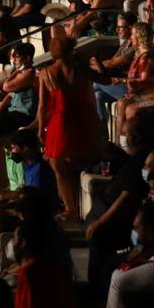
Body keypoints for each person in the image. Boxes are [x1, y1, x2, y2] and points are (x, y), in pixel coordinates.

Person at [38, 30, 102, 222]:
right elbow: (103, 79)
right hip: (82, 117)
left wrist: (41, 128)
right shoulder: (80, 68)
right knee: (73, 162)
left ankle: (69, 207)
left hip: (60, 120)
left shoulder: (47, 72)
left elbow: (42, 106)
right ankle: (72, 205)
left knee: (57, 164)